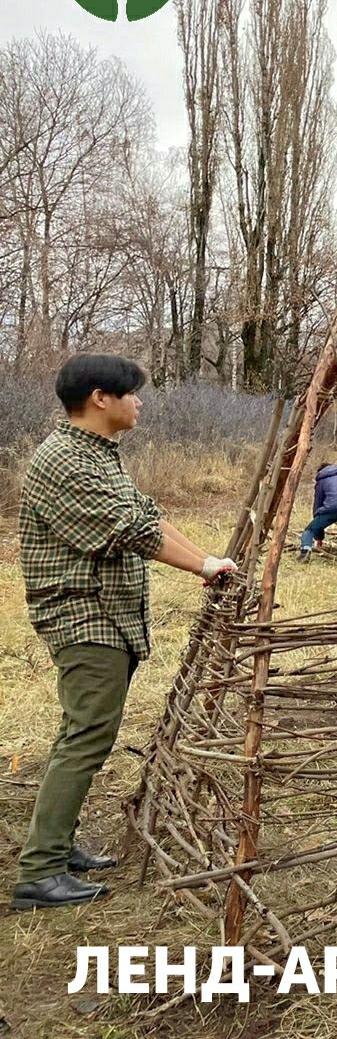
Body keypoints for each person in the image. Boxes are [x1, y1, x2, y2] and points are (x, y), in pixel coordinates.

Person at [13, 355, 237, 910]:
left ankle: (57, 846)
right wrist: (202, 565)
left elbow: (147, 515)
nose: (139, 402)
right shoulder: (66, 460)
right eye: (132, 392)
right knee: (86, 736)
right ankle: (40, 872)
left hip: (106, 615)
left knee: (81, 733)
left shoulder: (96, 454)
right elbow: (130, 530)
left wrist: (207, 561)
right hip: (83, 616)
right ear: (100, 398)